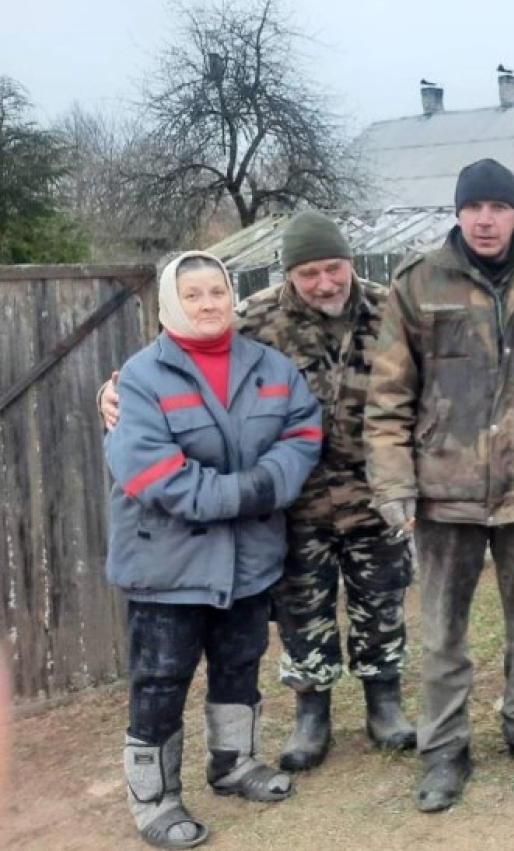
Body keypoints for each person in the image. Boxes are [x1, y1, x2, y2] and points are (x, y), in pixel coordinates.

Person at [102, 212, 416, 772]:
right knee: (302, 610)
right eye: (309, 272)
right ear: (288, 273)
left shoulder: (393, 309)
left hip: (375, 491)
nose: (324, 282)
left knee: (382, 602)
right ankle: (312, 713)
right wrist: (114, 389)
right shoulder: (255, 317)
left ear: (349, 263)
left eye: (333, 268)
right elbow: (187, 351)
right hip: (292, 500)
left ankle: (383, 704)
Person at [365, 158, 514, 814]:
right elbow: (387, 395)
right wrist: (394, 481)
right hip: (445, 490)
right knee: (442, 633)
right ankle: (444, 750)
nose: (485, 220)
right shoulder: (417, 284)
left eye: (498, 207)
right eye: (473, 207)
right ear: (459, 214)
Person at [103, 252, 322, 850]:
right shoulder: (140, 379)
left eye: (217, 293)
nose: (208, 305)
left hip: (248, 557)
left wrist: (265, 483)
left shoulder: (270, 368)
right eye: (193, 295)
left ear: (232, 296)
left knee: (239, 662)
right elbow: (149, 473)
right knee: (161, 678)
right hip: (166, 563)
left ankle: (233, 762)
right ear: (171, 304)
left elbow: (303, 436)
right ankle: (154, 799)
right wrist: (244, 492)